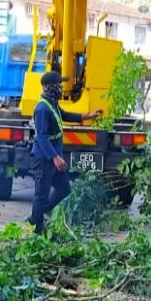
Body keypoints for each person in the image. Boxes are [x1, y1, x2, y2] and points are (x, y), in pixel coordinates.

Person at [28, 71, 103, 234]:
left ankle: (36, 216)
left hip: (55, 156)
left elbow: (65, 115)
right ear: (50, 87)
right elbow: (41, 137)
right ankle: (35, 230)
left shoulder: (52, 104)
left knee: (64, 189)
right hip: (44, 159)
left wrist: (87, 115)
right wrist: (55, 157)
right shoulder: (42, 108)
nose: (61, 87)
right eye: (59, 84)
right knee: (41, 195)